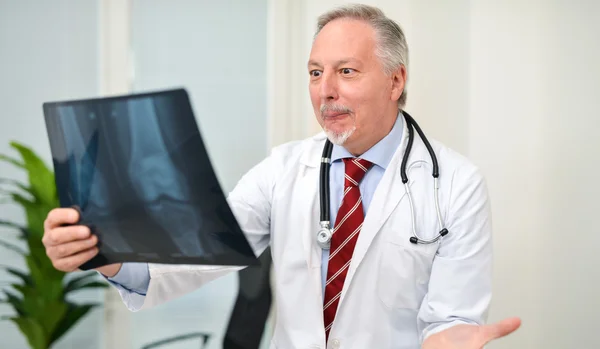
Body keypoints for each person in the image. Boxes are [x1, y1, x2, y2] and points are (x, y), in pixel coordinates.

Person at [42, 4, 521, 349]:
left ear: (396, 81)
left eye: (346, 71)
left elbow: (452, 319)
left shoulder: (456, 183)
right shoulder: (283, 168)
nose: (325, 91)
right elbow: (204, 251)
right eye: (315, 73)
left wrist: (449, 339)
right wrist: (107, 258)